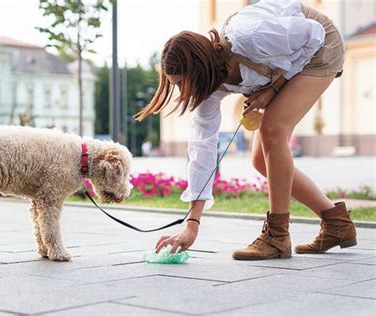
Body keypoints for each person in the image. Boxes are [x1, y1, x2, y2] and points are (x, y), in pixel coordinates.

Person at [135, 0, 356, 260]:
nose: (184, 92)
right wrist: (191, 226)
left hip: (319, 45)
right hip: (290, 58)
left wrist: (273, 89)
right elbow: (202, 149)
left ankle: (277, 237)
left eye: (183, 83)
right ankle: (337, 224)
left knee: (272, 129)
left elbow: (313, 35)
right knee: (260, 159)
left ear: (199, 68)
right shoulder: (208, 88)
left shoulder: (248, 36)